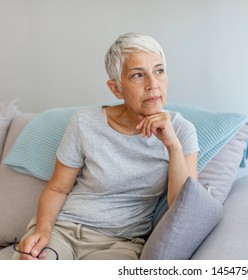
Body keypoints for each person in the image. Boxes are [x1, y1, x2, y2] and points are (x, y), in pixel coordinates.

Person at [12, 32, 199, 260]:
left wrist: (173, 147)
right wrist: (43, 228)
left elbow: (182, 208)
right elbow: (58, 188)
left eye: (159, 71)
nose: (153, 84)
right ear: (116, 88)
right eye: (138, 75)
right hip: (63, 231)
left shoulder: (181, 131)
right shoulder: (85, 122)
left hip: (120, 244)